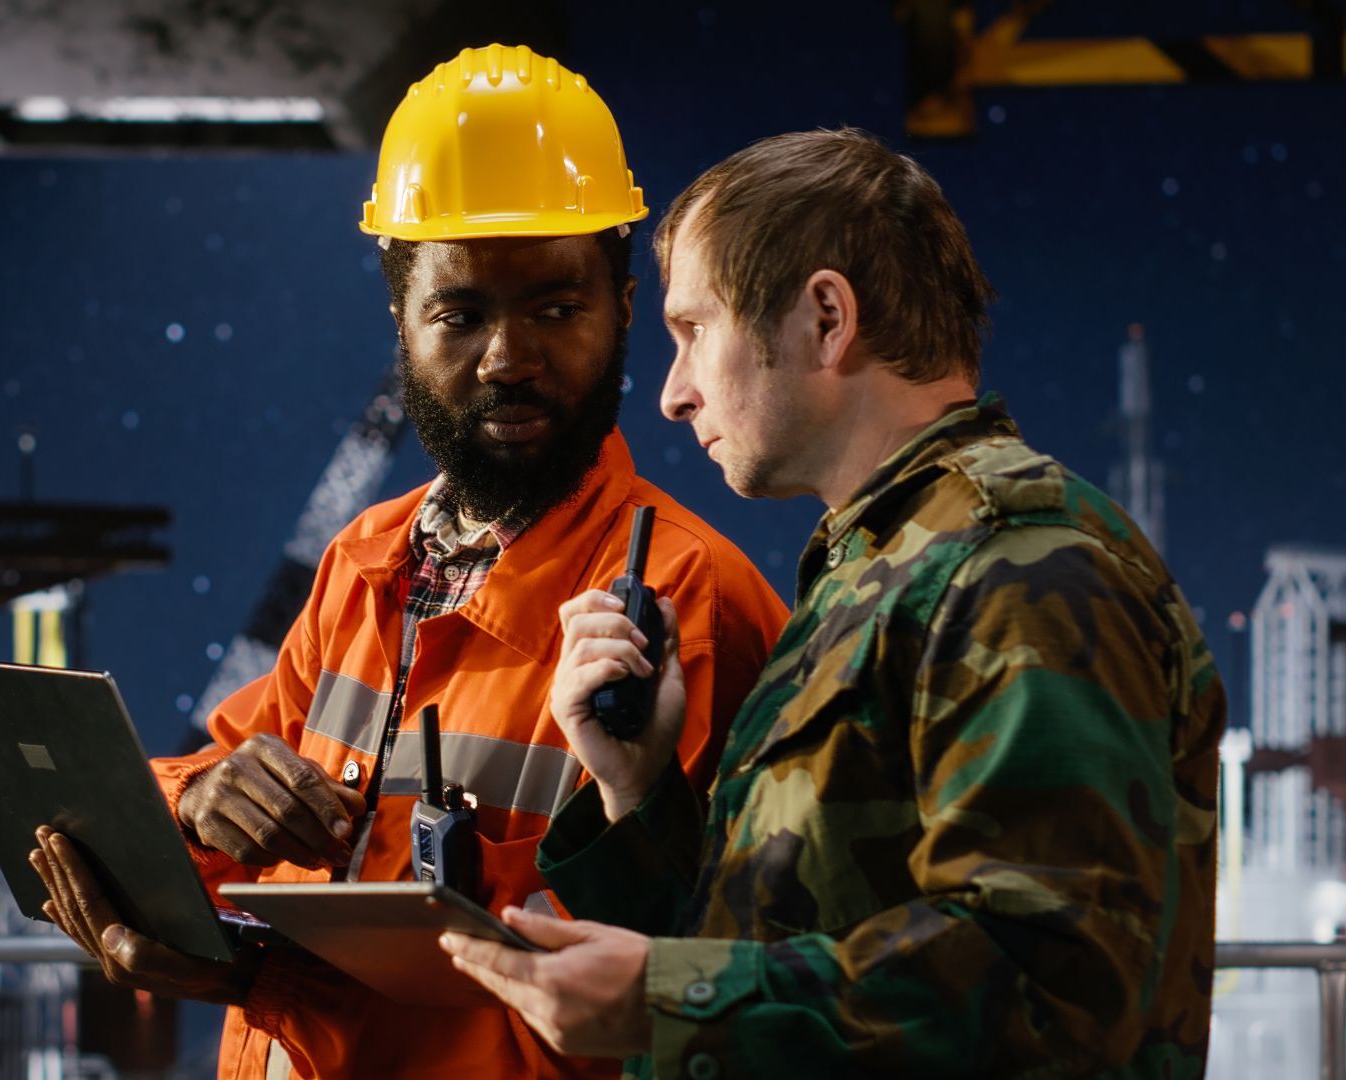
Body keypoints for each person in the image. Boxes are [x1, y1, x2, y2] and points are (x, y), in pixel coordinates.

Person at [25, 45, 789, 1079]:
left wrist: (265, 984)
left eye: (556, 309)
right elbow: (204, 778)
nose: (509, 359)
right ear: (401, 325)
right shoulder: (369, 559)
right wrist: (200, 798)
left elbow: (667, 1014)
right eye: (461, 314)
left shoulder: (688, 605)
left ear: (621, 309)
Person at [441, 128, 1225, 1077]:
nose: (674, 395)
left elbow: (1053, 979)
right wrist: (638, 789)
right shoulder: (886, 566)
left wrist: (671, 1001)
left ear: (824, 318)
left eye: (695, 332)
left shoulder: (1022, 564)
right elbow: (779, 941)